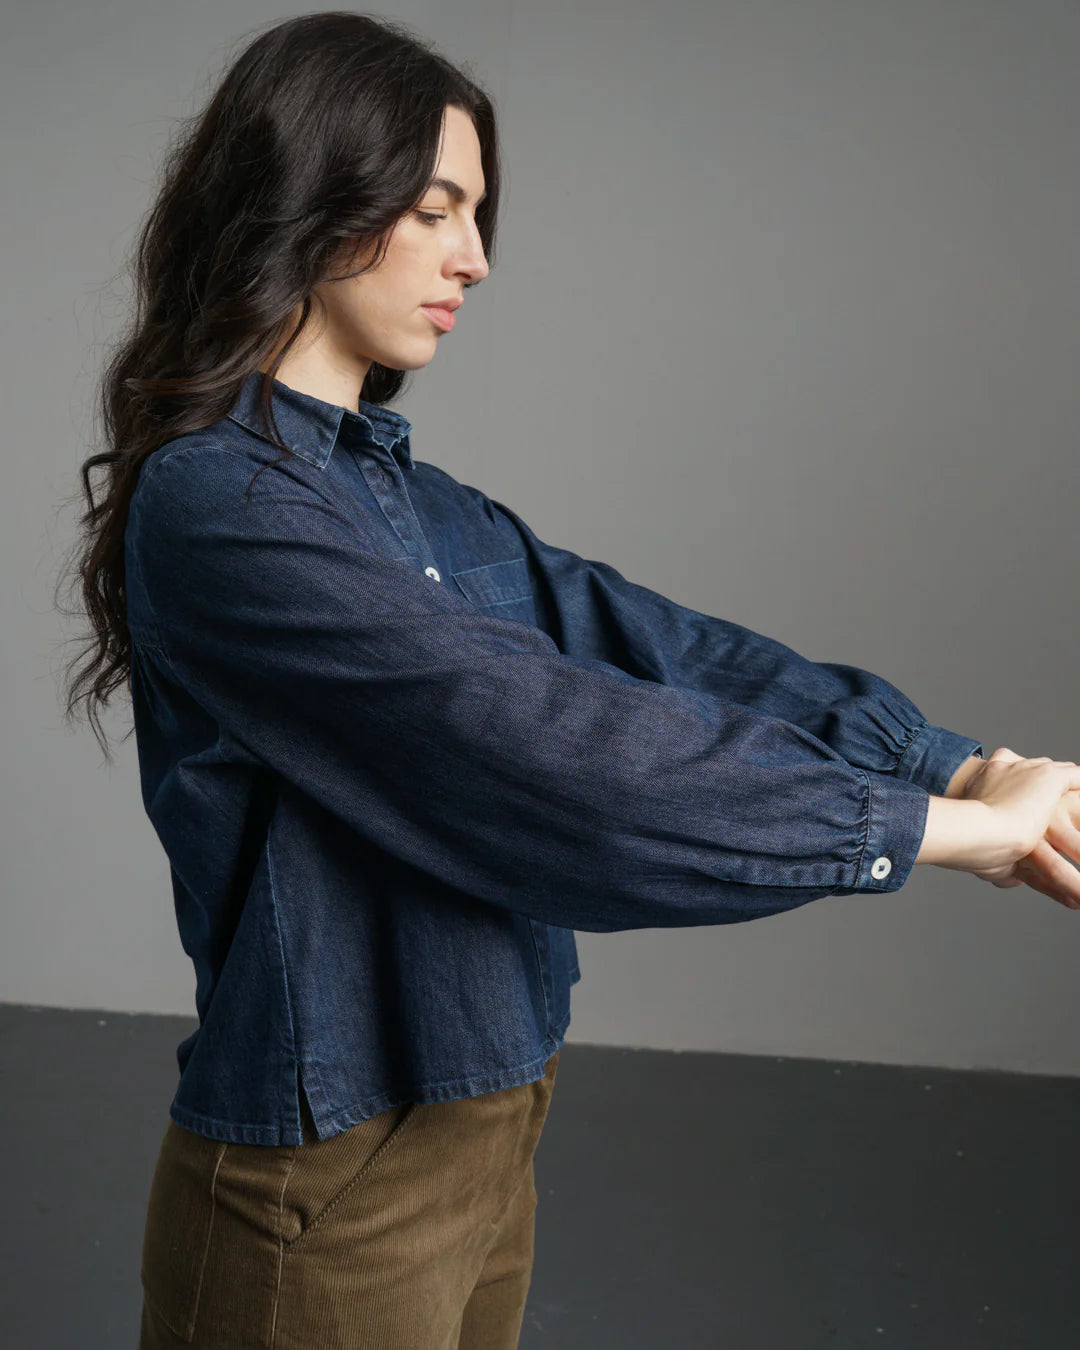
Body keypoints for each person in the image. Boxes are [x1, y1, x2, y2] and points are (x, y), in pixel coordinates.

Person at [56, 11, 1080, 1350]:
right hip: (334, 1181)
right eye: (437, 210)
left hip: (487, 1133)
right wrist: (946, 833)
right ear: (315, 197)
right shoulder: (221, 510)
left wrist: (945, 758)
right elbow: (549, 749)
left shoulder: (414, 508)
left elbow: (656, 644)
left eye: (478, 216)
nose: (475, 260)